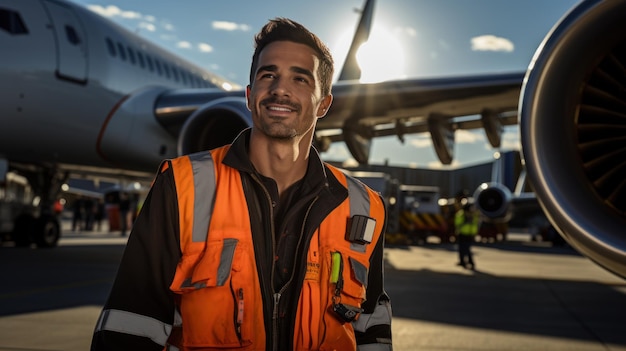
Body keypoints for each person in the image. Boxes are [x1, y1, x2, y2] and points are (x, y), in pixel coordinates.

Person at [91, 18, 392, 351]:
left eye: (300, 78)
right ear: (249, 96)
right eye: (268, 75)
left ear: (324, 105)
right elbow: (129, 324)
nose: (280, 88)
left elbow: (371, 327)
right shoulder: (181, 186)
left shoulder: (363, 206)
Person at [455, 202, 479, 269]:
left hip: (469, 234)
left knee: (467, 249)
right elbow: (457, 224)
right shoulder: (461, 215)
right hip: (462, 233)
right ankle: (463, 262)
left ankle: (470, 262)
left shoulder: (473, 215)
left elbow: (476, 224)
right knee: (462, 249)